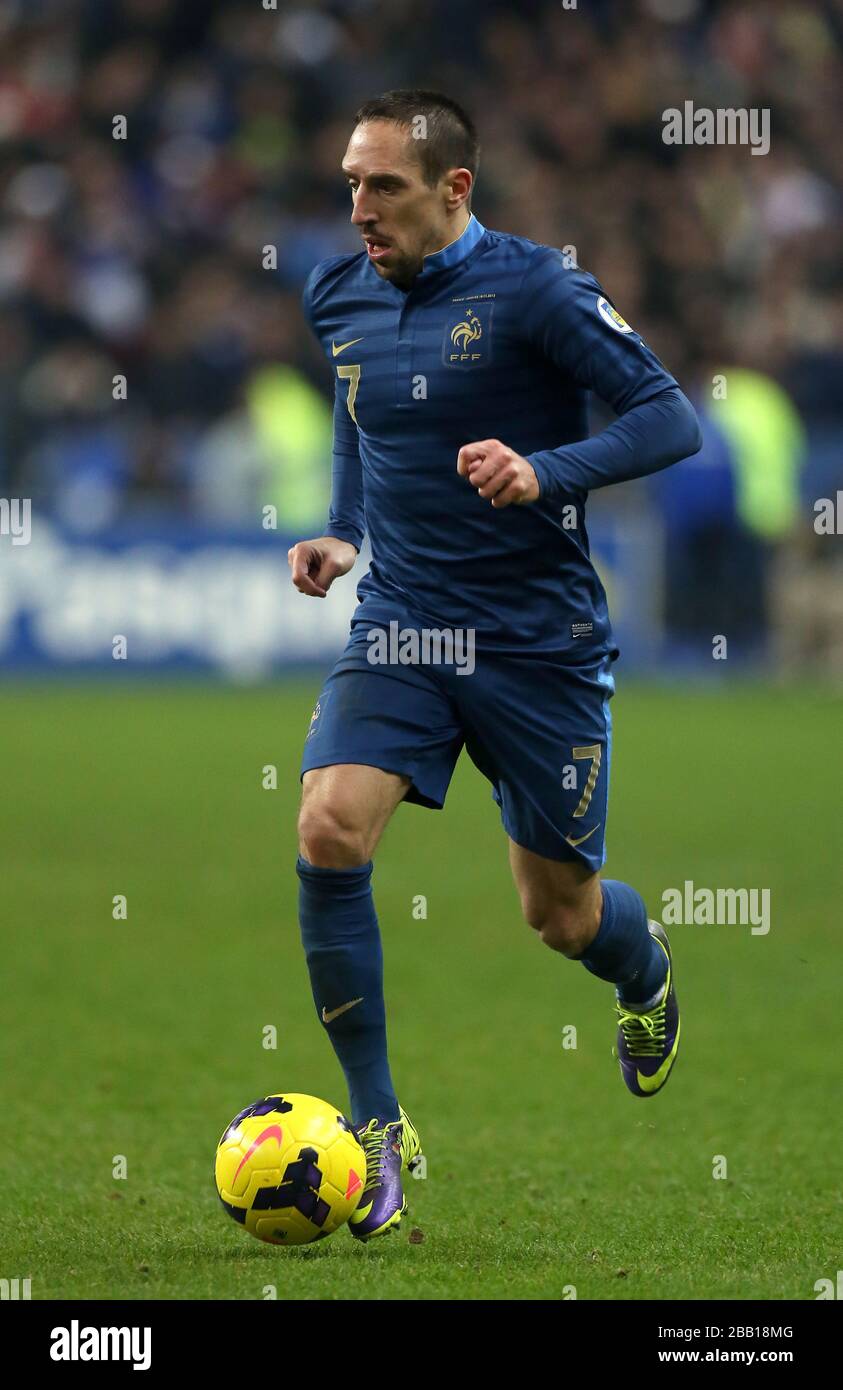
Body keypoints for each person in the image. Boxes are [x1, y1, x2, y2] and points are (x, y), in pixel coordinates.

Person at [288, 90, 702, 1240]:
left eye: (384, 187)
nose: (358, 208)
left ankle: (646, 969)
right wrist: (342, 527)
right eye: (349, 184)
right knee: (327, 825)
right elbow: (358, 407)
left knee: (560, 916)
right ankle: (379, 1126)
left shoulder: (538, 290)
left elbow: (671, 419)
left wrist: (546, 470)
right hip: (407, 624)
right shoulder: (337, 292)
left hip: (537, 645)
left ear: (454, 188)